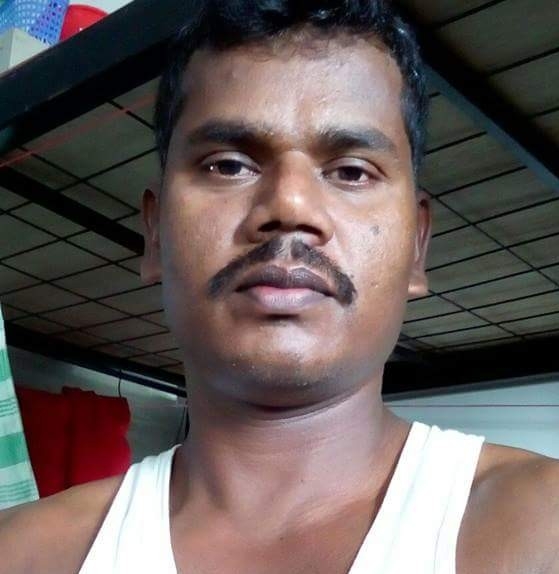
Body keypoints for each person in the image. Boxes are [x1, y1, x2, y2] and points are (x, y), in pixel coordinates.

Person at [1, 1, 558, 573]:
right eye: (228, 165)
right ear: (156, 235)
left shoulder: (542, 529)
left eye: (351, 172)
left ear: (417, 247)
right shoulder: (25, 554)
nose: (290, 206)